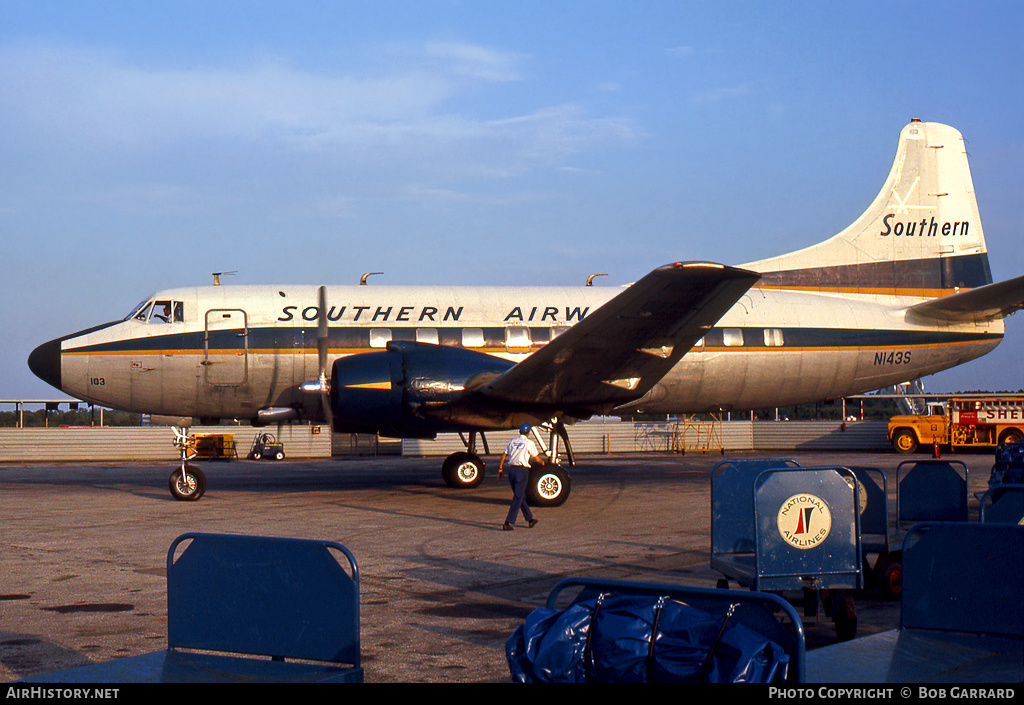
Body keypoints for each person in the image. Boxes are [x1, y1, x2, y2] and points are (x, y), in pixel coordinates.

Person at [498, 423, 542, 531]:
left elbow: (504, 455)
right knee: (517, 497)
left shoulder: (511, 441)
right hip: (521, 471)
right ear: (529, 432)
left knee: (520, 496)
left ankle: (530, 519)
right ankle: (508, 522)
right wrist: (543, 464)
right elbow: (536, 458)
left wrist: (500, 469)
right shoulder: (529, 443)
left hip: (511, 470)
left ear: (519, 431)